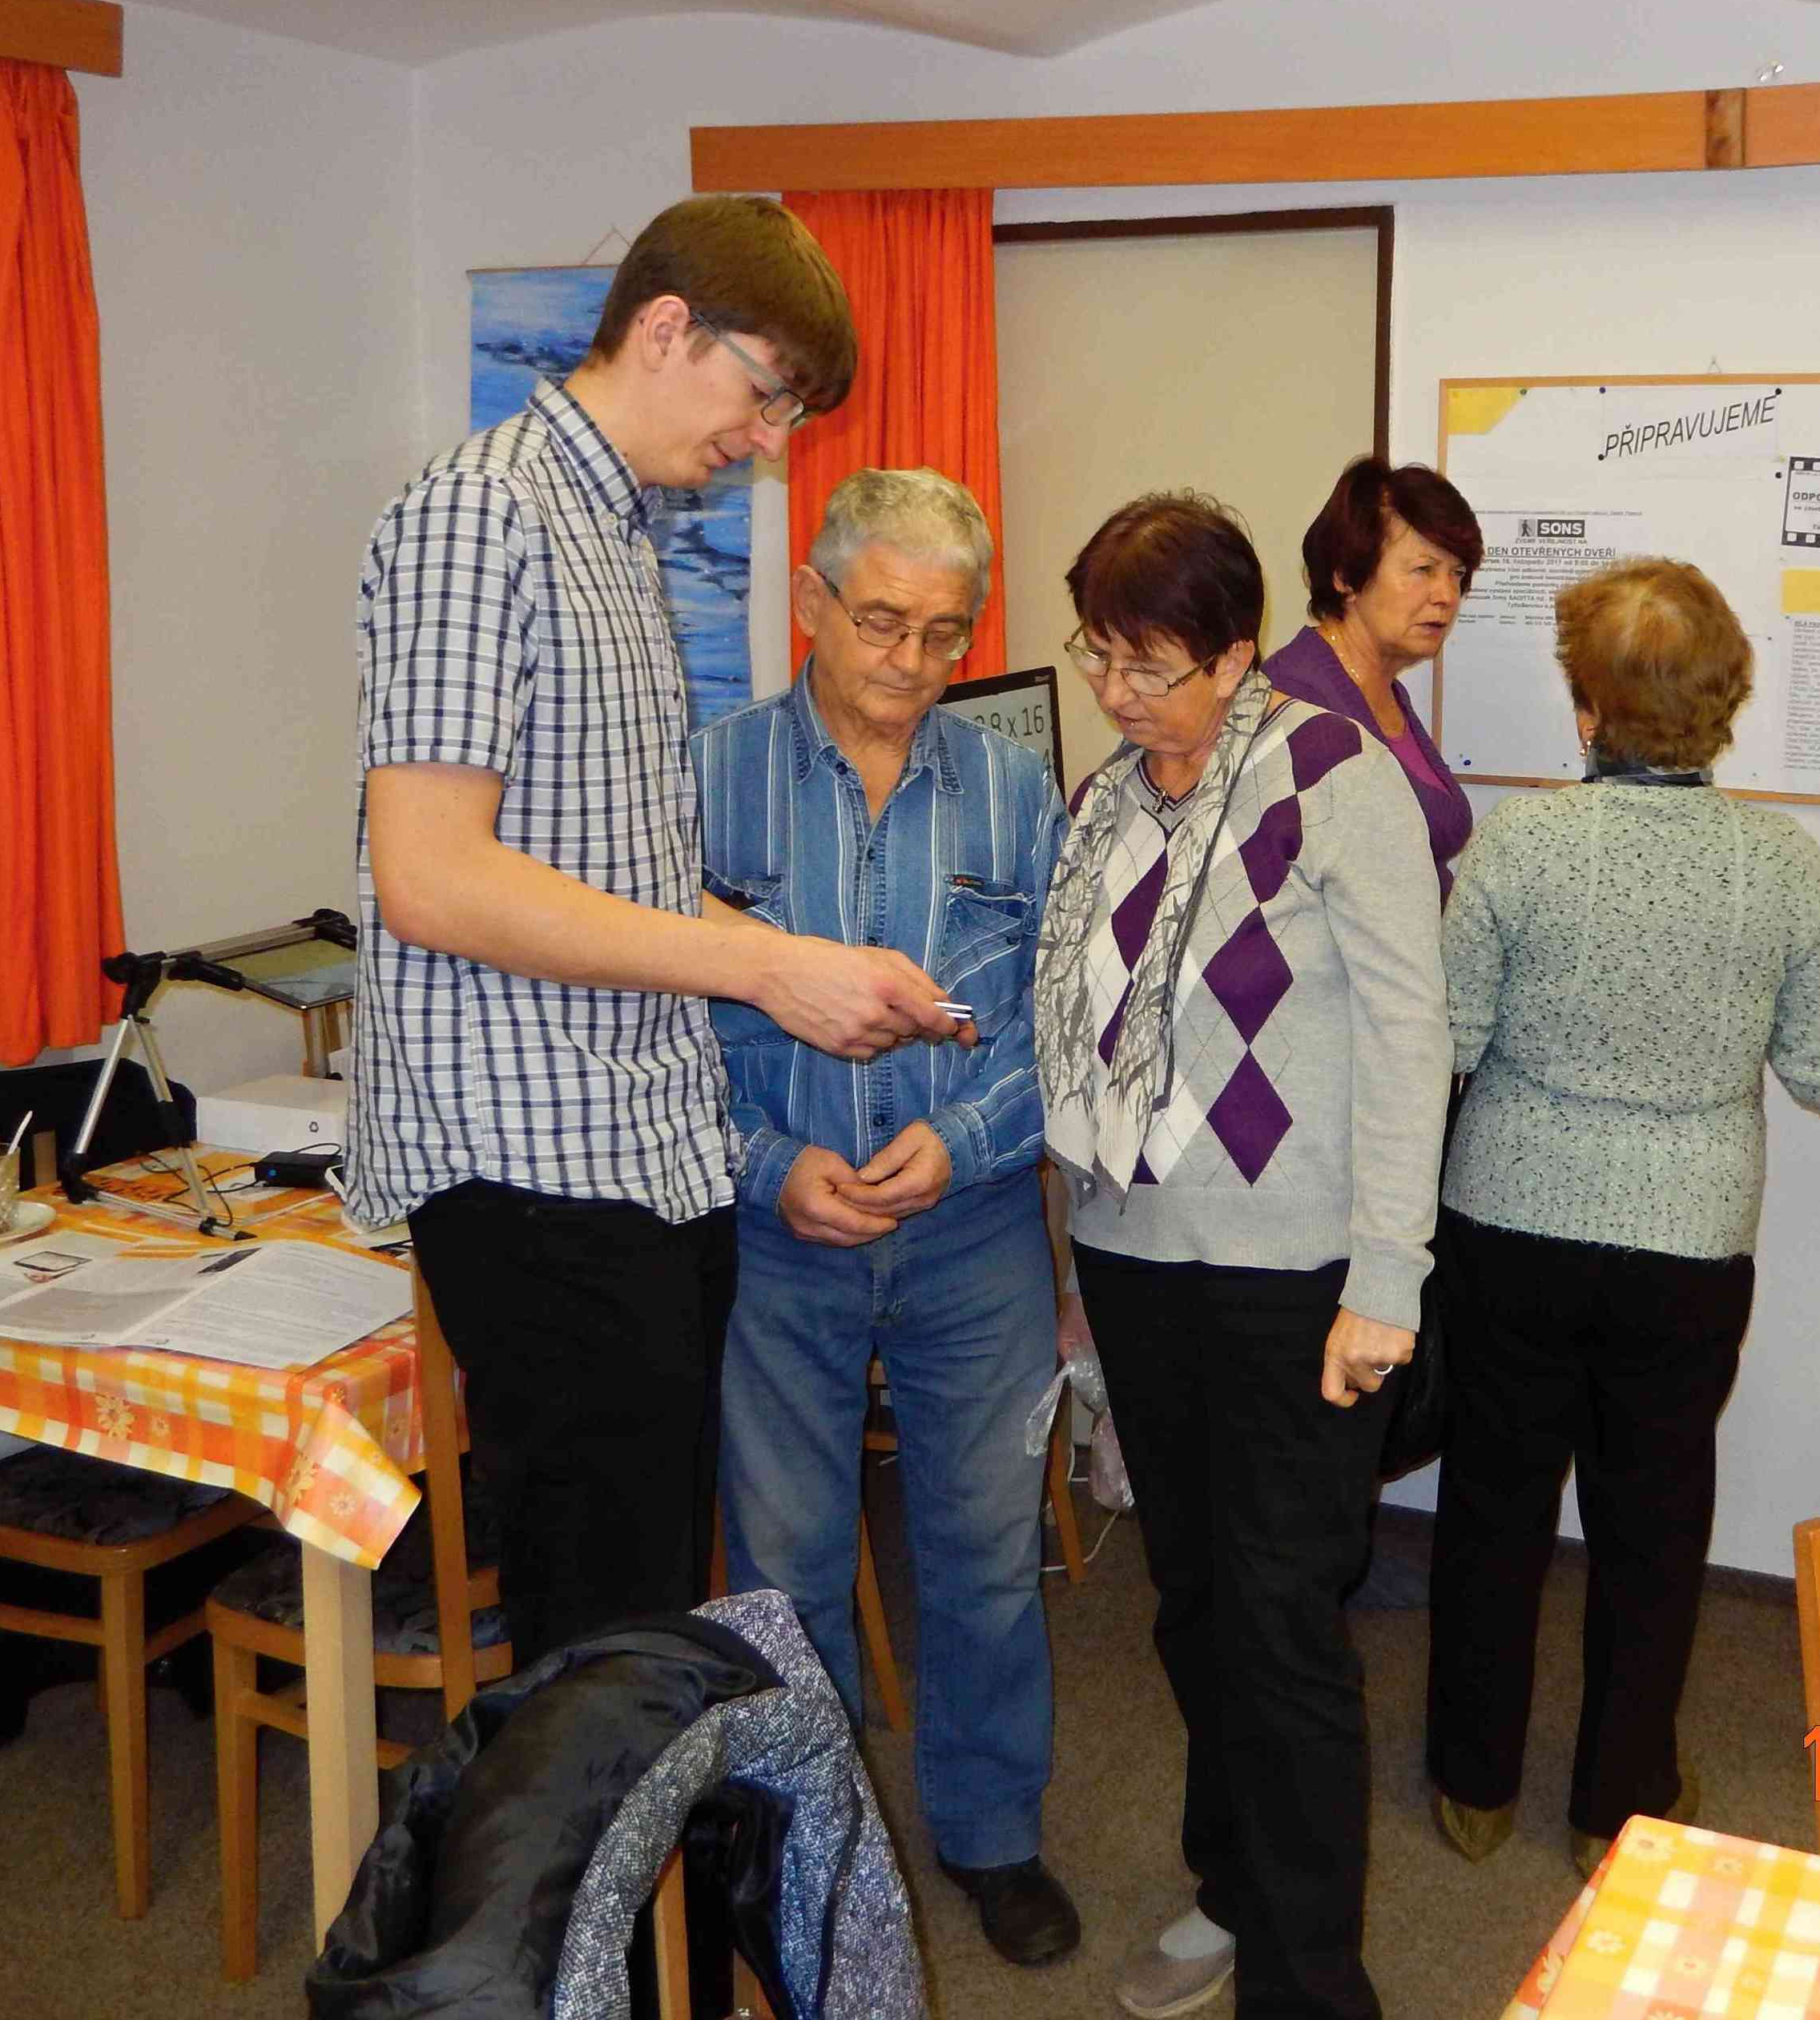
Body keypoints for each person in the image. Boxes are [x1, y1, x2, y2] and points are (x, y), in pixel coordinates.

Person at [344, 195, 963, 1672]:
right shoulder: (478, 517)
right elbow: (431, 877)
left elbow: (621, 871)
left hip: (640, 1144)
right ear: (668, 327)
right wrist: (767, 966)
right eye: (766, 394)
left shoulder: (615, 533)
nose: (768, 439)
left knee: (648, 1618)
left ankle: (646, 1834)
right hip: (529, 1161)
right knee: (600, 1647)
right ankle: (581, 1845)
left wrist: (807, 966)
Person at [1031, 493, 1447, 2020]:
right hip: (1140, 1259)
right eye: (1099, 655)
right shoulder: (1106, 802)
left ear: (1235, 652)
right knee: (1193, 1599)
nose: (1118, 692)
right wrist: (1074, 1261)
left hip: (1296, 1279)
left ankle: (1308, 1979)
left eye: (1152, 665)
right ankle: (1233, 1882)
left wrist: (1387, 1280)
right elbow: (1081, 1034)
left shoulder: (1332, 774)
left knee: (1281, 1626)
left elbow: (1410, 1037)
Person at [1426, 559, 1820, 1875]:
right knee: (1654, 1523)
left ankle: (1473, 1781)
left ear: (1588, 708)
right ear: (1722, 704)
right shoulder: (1779, 863)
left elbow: (1445, 1043)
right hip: (1686, 1244)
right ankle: (1616, 1799)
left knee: (1495, 1504)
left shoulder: (1517, 844)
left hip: (1510, 1223)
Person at [691, 467, 1081, 1966]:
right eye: (880, 623)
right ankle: (814, 1856)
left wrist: (967, 1137)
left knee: (983, 1553)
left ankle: (992, 1835)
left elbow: (1062, 1030)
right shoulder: (704, 779)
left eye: (944, 631)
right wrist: (763, 1162)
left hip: (967, 1231)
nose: (912, 663)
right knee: (785, 1569)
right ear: (810, 601)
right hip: (775, 1233)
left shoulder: (1013, 792)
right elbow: (649, 1032)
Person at [1264, 457, 1483, 887]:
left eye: (1457, 574)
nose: (1447, 595)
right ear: (1346, 576)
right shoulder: (1294, 698)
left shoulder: (1386, 689)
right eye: (1423, 570)